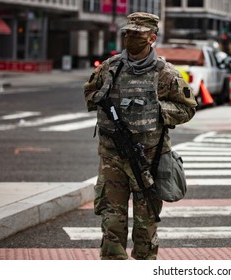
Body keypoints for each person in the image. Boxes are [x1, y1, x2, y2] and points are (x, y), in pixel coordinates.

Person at [83, 12, 197, 259]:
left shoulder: (165, 73)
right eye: (129, 33)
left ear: (152, 38)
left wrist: (156, 110)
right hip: (113, 159)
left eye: (138, 34)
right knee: (111, 224)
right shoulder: (110, 69)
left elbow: (188, 108)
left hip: (149, 160)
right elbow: (90, 94)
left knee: (145, 229)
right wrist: (103, 102)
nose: (132, 38)